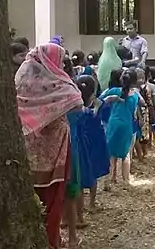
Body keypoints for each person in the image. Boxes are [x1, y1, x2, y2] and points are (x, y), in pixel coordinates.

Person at [15, 43, 84, 249]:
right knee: (54, 195)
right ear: (51, 60)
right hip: (56, 148)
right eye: (60, 60)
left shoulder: (21, 80)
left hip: (29, 146)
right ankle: (51, 240)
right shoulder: (58, 83)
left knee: (32, 194)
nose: (61, 65)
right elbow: (78, 104)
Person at [100, 69, 145, 186]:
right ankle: (126, 181)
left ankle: (108, 180)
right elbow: (143, 102)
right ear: (134, 82)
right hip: (127, 125)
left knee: (111, 152)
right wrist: (137, 91)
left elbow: (100, 98)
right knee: (125, 154)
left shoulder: (114, 91)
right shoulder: (135, 95)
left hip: (113, 123)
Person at [71, 75, 109, 213]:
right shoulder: (98, 104)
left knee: (80, 172)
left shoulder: (74, 106)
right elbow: (103, 117)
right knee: (94, 172)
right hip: (96, 141)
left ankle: (78, 206)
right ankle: (92, 203)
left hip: (81, 143)